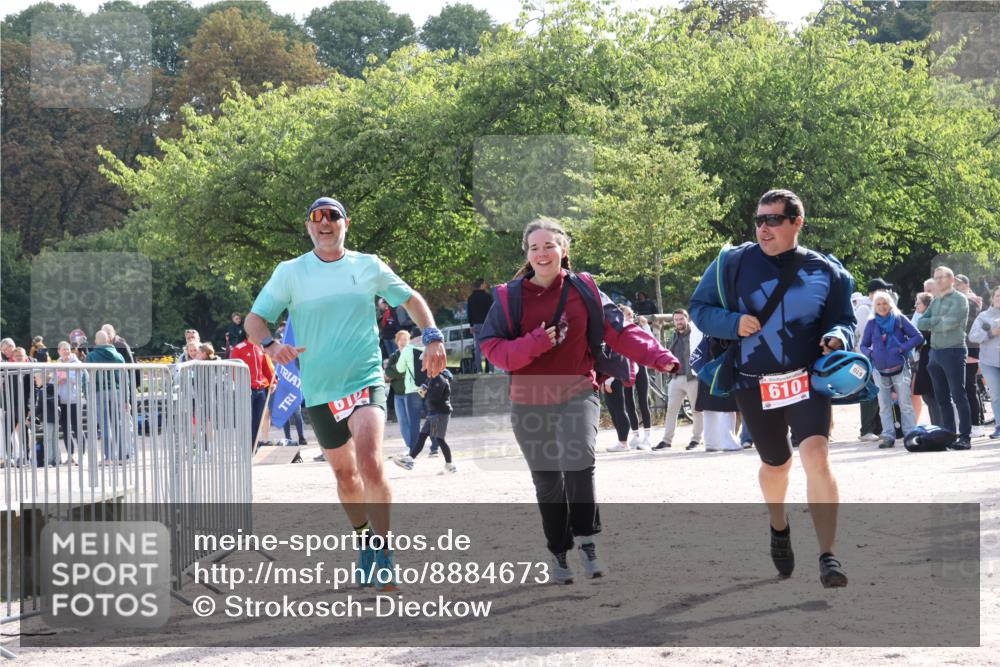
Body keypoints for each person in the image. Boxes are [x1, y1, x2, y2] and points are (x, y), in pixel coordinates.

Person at [244, 196, 446, 592]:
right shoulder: (290, 272)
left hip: (365, 377)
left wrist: (434, 335)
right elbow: (255, 319)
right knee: (345, 474)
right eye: (317, 220)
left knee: (370, 462)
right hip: (320, 389)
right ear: (308, 228)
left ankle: (385, 552)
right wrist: (269, 346)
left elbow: (411, 298)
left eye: (332, 218)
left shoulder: (368, 265)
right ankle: (365, 540)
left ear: (345, 224)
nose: (325, 225)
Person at [478, 217, 678, 584]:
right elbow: (493, 349)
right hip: (529, 397)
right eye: (534, 247)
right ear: (527, 253)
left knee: (579, 460)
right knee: (548, 481)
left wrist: (659, 356)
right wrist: (536, 342)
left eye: (549, 246)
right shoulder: (510, 297)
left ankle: (587, 541)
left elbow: (621, 329)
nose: (542, 253)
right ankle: (559, 553)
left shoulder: (584, 289)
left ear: (564, 250)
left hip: (577, 389)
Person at [690, 189, 856, 588]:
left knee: (816, 455)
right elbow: (699, 310)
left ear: (796, 222)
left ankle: (828, 555)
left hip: (807, 380)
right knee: (777, 464)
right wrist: (733, 324)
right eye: (759, 220)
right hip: (752, 382)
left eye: (773, 220)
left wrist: (836, 337)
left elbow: (844, 321)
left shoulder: (827, 271)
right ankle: (778, 525)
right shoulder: (731, 263)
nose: (763, 228)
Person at [916, 266, 972, 449]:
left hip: (953, 350)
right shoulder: (936, 301)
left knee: (958, 395)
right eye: (936, 277)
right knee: (941, 398)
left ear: (952, 279)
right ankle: (948, 436)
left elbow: (951, 324)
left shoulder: (960, 299)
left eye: (942, 277)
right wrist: (937, 321)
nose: (938, 280)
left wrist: (934, 322)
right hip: (935, 353)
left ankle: (965, 437)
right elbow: (921, 322)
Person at [860, 291, 923, 448]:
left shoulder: (899, 319)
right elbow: (863, 345)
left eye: (884, 303)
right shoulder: (872, 323)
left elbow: (918, 337)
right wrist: (871, 354)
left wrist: (902, 348)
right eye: (878, 304)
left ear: (890, 304)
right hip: (879, 369)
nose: (882, 307)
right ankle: (888, 435)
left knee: (905, 403)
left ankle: (910, 434)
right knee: (884, 404)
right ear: (875, 306)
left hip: (900, 368)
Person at [654, 309, 705, 451]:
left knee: (696, 410)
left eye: (681, 319)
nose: (678, 322)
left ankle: (696, 440)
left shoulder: (695, 334)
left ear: (687, 319)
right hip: (676, 377)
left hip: (692, 378)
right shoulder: (673, 336)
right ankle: (666, 441)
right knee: (671, 410)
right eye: (676, 320)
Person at [392, 369, 457, 473]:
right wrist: (423, 391)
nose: (424, 367)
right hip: (433, 412)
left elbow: (434, 398)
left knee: (439, 439)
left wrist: (425, 392)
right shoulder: (432, 378)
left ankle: (450, 465)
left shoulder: (439, 379)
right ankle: (410, 460)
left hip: (439, 414)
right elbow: (427, 395)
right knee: (422, 435)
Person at [85, 330, 134, 462]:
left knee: (105, 425)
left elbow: (86, 377)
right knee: (118, 424)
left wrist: (87, 394)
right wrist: (126, 399)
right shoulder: (118, 356)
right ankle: (121, 454)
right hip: (117, 392)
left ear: (96, 341)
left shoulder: (91, 357)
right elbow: (126, 380)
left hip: (99, 392)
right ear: (108, 341)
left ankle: (109, 456)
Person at [229, 338, 275, 450]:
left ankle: (253, 447)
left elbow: (266, 367)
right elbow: (234, 370)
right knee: (246, 420)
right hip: (246, 389)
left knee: (258, 420)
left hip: (261, 389)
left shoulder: (261, 348)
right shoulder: (239, 348)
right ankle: (245, 447)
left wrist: (273, 382)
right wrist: (240, 385)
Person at [383, 330, 425, 453]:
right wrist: (398, 373)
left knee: (413, 421)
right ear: (396, 342)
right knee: (402, 423)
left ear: (409, 341)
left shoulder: (413, 353)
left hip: (411, 393)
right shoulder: (394, 356)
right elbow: (388, 373)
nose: (402, 342)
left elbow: (398, 372)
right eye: (400, 340)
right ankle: (410, 446)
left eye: (405, 339)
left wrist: (396, 374)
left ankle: (415, 446)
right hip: (398, 395)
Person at [968, 286, 1000, 439]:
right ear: (992, 298)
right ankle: (999, 426)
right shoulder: (983, 316)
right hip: (989, 362)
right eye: (998, 296)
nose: (999, 298)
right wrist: (991, 333)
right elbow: (973, 337)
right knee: (995, 395)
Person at [955, 274, 984, 432]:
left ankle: (976, 424)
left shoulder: (970, 301)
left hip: (970, 348)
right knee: (967, 388)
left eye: (958, 284)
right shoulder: (964, 300)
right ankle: (973, 423)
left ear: (966, 284)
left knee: (970, 388)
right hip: (963, 348)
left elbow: (968, 325)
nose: (955, 287)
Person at [53, 340, 88, 462]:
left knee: (77, 427)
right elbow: (52, 382)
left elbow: (80, 378)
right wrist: (57, 381)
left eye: (67, 349)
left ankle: (82, 455)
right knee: (65, 429)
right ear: (59, 352)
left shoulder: (77, 362)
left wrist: (66, 376)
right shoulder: (56, 364)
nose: (66, 351)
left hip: (74, 400)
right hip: (61, 401)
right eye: (63, 349)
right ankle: (71, 455)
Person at [909, 292, 933, 424]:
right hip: (920, 358)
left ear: (926, 305)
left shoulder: (929, 319)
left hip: (928, 358)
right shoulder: (919, 316)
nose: (915, 305)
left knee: (931, 395)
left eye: (918, 303)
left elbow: (920, 339)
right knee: (926, 395)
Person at [467, 279, 494, 374]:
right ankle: (490, 370)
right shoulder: (488, 297)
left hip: (476, 325)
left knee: (477, 349)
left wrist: (471, 325)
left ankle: (479, 370)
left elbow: (469, 313)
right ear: (482, 285)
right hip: (487, 325)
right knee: (489, 347)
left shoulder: (471, 298)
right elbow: (492, 311)